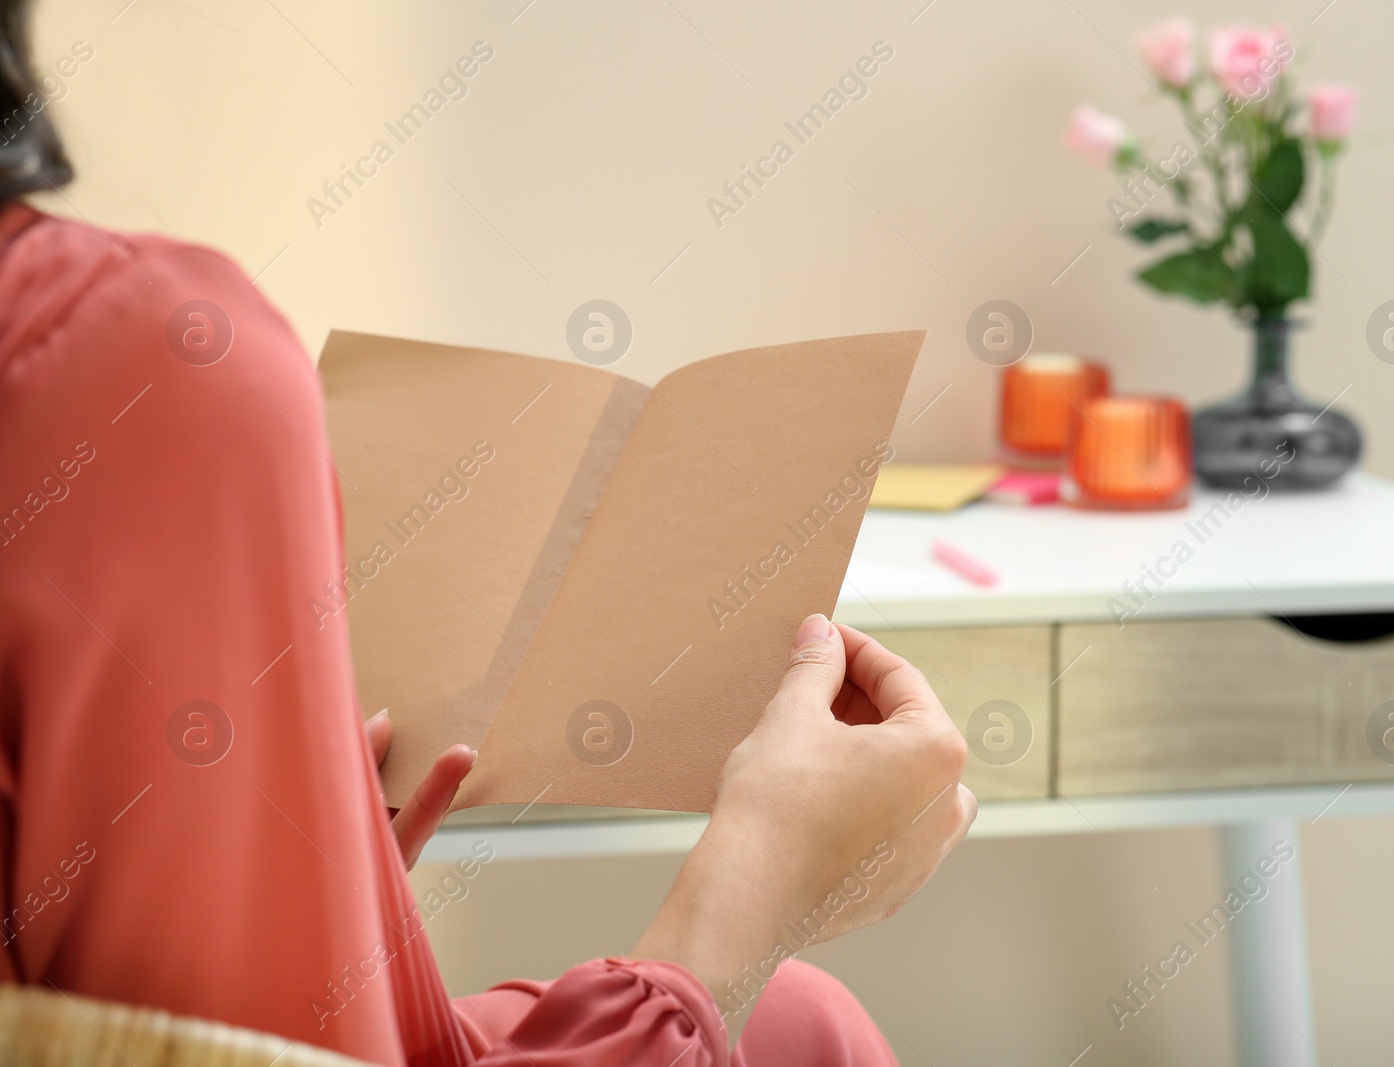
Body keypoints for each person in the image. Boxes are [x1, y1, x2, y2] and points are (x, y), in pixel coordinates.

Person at [0, 4, 977, 1064]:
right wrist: (752, 894)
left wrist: (302, 878)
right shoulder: (131, 365)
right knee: (803, 1024)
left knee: (799, 1021)